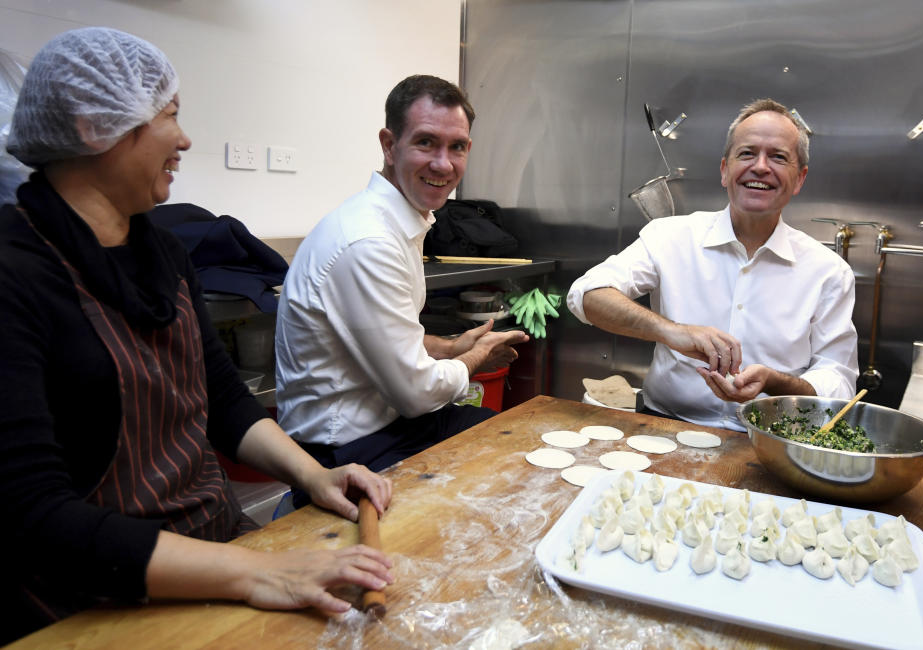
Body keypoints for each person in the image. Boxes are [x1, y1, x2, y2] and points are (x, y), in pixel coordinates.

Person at [0, 28, 393, 644]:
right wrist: (261, 572)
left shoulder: (158, 249)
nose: (184, 139)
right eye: (170, 116)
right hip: (92, 595)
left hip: (213, 545)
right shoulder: (15, 268)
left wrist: (311, 473)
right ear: (90, 125)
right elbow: (33, 517)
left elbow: (221, 398)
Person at [275, 75, 528, 477]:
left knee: (513, 444)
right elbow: (416, 393)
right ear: (389, 145)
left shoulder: (399, 222)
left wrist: (449, 347)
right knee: (504, 473)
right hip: (345, 451)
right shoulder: (368, 241)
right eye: (426, 142)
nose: (443, 164)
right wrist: (477, 356)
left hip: (390, 425)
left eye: (456, 147)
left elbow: (384, 335)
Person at [567, 98, 858, 431]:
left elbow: (839, 381)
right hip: (666, 429)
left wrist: (775, 383)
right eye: (747, 153)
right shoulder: (670, 236)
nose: (761, 167)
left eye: (778, 157)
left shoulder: (828, 271)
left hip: (771, 441)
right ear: (724, 170)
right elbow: (586, 295)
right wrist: (673, 332)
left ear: (799, 179)